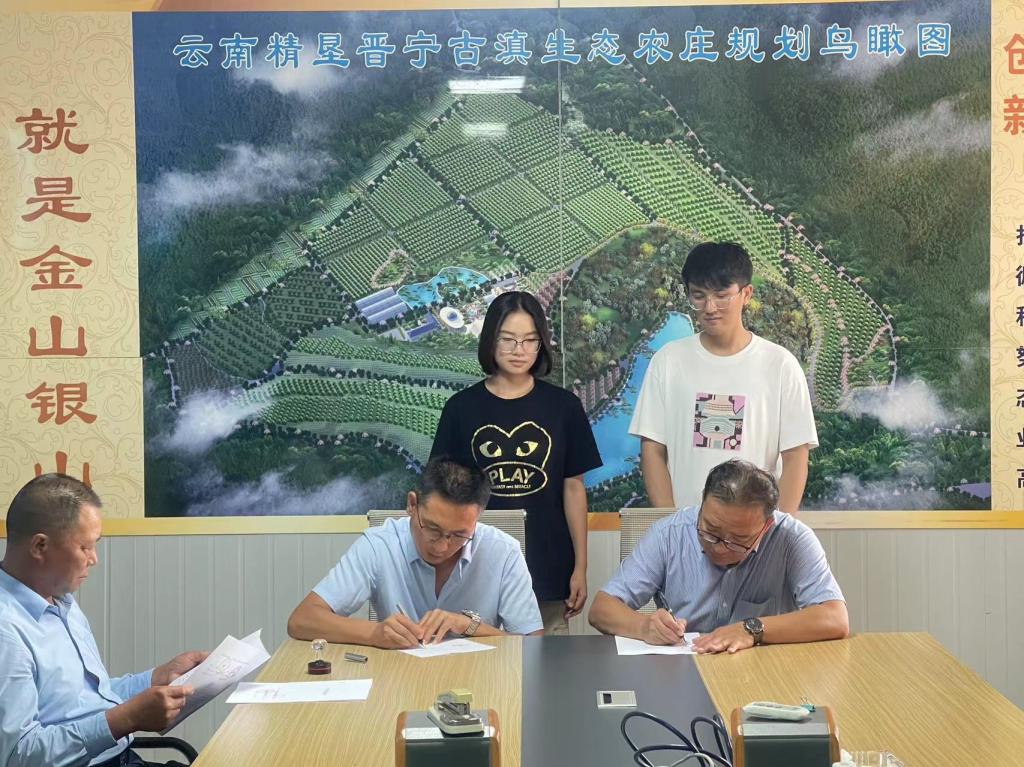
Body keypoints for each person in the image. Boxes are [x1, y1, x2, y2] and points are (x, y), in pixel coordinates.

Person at [0, 474, 209, 767]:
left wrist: (157, 678)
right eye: (85, 547)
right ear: (39, 547)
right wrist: (128, 718)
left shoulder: (62, 601)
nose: (94, 559)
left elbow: (88, 702)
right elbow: (18, 755)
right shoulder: (7, 630)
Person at [429, 290, 602, 634]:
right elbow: (441, 495)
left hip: (548, 567)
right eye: (508, 339)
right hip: (475, 567)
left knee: (547, 662)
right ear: (491, 341)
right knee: (476, 660)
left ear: (541, 344)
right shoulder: (461, 409)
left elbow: (574, 489)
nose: (518, 350)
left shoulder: (564, 407)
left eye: (529, 340)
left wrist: (580, 567)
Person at [630, 242, 817, 514]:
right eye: (698, 296)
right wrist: (671, 525)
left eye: (721, 296)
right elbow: (652, 450)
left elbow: (796, 456)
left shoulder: (780, 365)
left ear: (746, 294)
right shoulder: (668, 361)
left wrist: (775, 529)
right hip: (686, 528)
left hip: (755, 530)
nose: (709, 307)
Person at [588, 459, 848, 653]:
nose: (721, 548)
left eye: (739, 540)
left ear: (767, 526)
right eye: (710, 531)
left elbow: (835, 618)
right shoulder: (669, 534)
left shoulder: (792, 538)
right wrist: (644, 627)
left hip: (766, 670)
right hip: (686, 671)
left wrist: (752, 629)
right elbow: (601, 609)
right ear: (702, 503)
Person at [288, 458, 543, 647]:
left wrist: (469, 626)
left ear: (477, 519)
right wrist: (374, 633)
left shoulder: (503, 552)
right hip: (399, 682)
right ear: (412, 504)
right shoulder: (379, 545)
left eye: (459, 535)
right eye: (432, 528)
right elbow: (301, 620)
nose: (442, 547)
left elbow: (534, 645)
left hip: (480, 683)